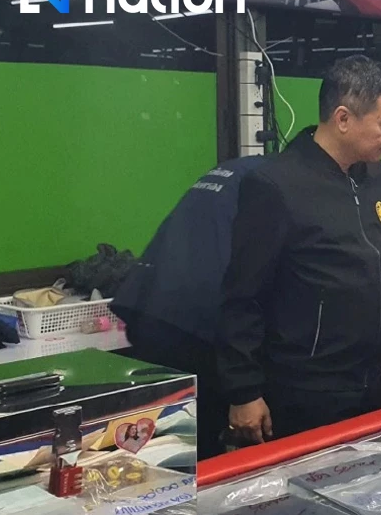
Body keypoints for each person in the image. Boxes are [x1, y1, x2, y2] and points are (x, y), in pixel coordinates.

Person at [218, 55, 381, 445]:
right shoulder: (275, 185)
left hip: (368, 380)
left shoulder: (376, 176)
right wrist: (244, 391)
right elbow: (242, 297)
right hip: (306, 389)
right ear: (343, 119)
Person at [111, 154, 266, 459]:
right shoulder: (280, 182)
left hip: (151, 306)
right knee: (193, 449)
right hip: (198, 325)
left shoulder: (242, 168)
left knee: (161, 444)